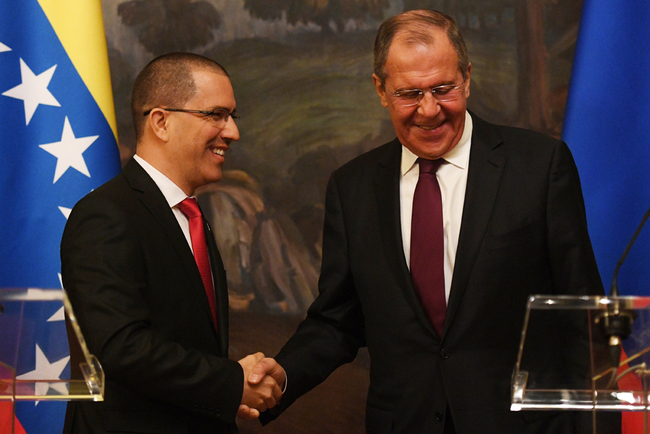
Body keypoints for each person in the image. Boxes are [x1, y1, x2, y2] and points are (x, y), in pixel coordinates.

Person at [251, 9, 621, 434]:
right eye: (410, 93)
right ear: (381, 90)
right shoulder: (351, 188)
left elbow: (584, 316)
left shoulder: (539, 166)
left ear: (466, 77)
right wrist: (282, 376)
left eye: (443, 89)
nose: (429, 111)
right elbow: (337, 320)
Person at [61, 52, 285, 433]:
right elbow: (120, 348)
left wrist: (236, 390)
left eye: (232, 116)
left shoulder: (190, 215)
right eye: (215, 115)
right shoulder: (105, 214)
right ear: (161, 122)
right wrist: (232, 383)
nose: (232, 132)